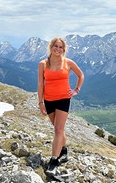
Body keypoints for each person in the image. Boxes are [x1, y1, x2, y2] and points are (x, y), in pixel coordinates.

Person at [37, 37, 84, 175]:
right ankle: (63, 151)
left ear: (64, 49)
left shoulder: (68, 63)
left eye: (61, 47)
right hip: (49, 100)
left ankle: (53, 161)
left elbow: (81, 75)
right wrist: (40, 102)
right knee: (58, 130)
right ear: (51, 47)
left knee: (58, 130)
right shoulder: (43, 64)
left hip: (64, 99)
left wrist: (76, 90)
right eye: (56, 46)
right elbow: (40, 84)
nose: (58, 49)